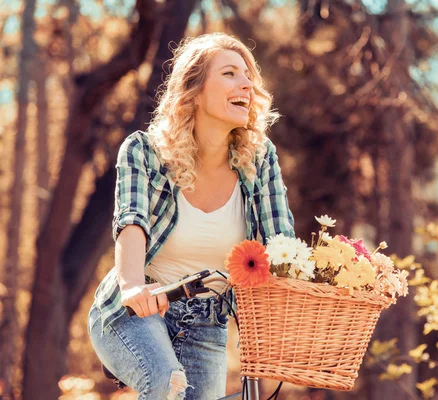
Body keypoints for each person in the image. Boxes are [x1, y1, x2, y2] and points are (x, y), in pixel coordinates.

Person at [87, 32, 295, 400]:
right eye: (230, 73)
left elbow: (281, 247)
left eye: (248, 75)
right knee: (168, 384)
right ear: (194, 91)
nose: (246, 83)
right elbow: (131, 223)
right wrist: (133, 286)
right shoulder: (144, 151)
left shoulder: (259, 160)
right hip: (137, 313)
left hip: (207, 323)